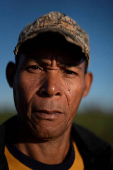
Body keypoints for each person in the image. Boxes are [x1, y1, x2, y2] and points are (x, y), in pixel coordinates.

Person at [0, 11, 113, 170]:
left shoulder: (104, 161)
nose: (51, 88)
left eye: (69, 71)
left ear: (86, 85)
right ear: (12, 75)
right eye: (35, 67)